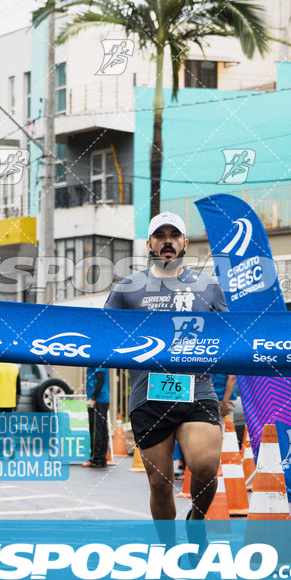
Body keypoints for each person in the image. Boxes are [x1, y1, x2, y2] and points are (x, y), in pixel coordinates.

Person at [104, 211, 227, 550]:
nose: (168, 241)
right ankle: (170, 550)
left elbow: (234, 337)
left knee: (204, 466)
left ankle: (197, 520)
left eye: (175, 235)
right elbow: (102, 334)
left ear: (186, 243)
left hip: (197, 390)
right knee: (159, 486)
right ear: (150, 244)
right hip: (148, 395)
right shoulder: (128, 289)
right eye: (161, 235)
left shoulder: (208, 287)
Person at [82, 366, 110, 469]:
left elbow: (101, 379)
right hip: (103, 398)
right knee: (102, 430)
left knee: (95, 430)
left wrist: (93, 397)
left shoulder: (97, 360)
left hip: (98, 399)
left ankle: (95, 459)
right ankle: (102, 459)